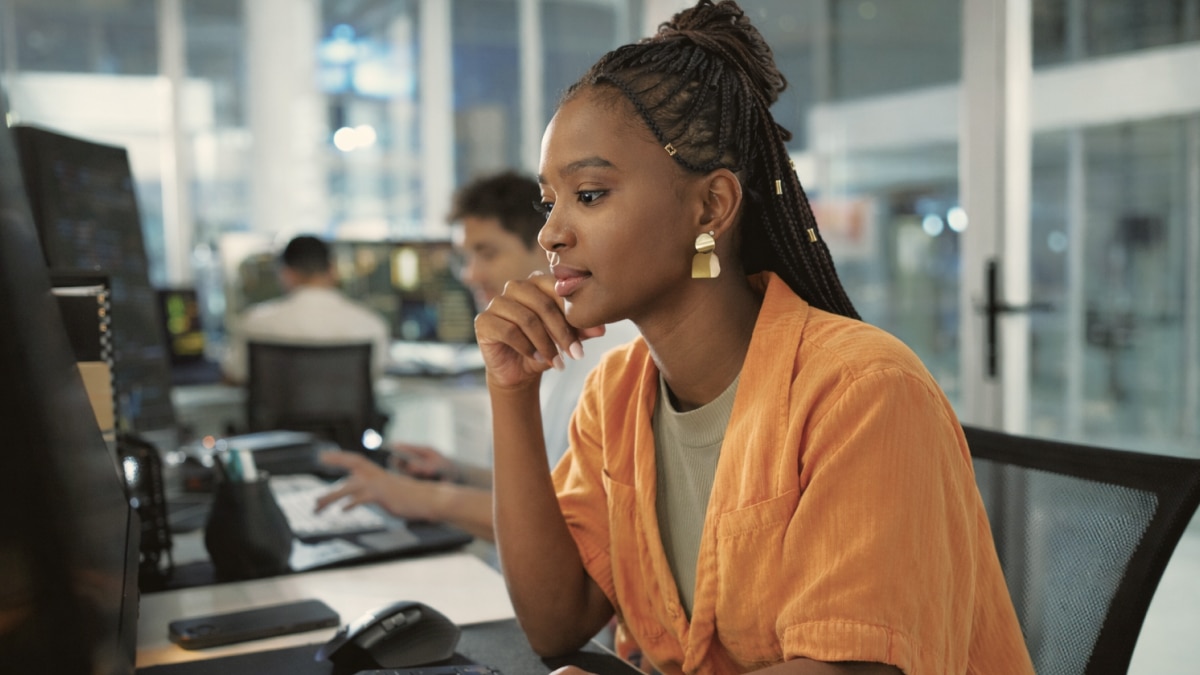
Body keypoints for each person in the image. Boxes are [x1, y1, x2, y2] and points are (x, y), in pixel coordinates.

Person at [473, 2, 1036, 674]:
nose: (551, 233)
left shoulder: (862, 390)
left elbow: (846, 670)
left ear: (710, 207)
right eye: (550, 201)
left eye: (589, 194)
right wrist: (511, 390)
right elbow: (556, 621)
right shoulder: (617, 395)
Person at [315, 171, 640, 542]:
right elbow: (551, 484)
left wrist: (422, 498)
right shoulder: (543, 343)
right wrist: (456, 474)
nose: (470, 275)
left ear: (544, 246)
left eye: (487, 253)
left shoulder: (609, 353)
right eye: (464, 258)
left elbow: (575, 521)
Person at [220, 235, 391, 385]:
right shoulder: (370, 325)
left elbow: (235, 375)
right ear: (332, 270)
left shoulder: (254, 324)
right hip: (349, 422)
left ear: (286, 274)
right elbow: (375, 376)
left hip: (276, 422)